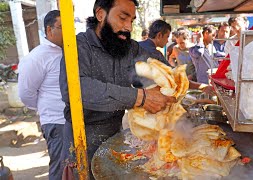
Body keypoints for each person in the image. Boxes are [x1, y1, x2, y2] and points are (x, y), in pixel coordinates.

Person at [59, 0, 176, 179]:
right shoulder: (78, 46)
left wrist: (167, 83)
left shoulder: (128, 47)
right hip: (81, 140)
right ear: (100, 15)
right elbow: (75, 89)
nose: (128, 27)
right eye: (122, 18)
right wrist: (140, 97)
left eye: (132, 20)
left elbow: (156, 68)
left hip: (115, 135)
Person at [18, 10, 65, 180]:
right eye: (62, 27)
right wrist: (47, 107)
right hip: (57, 122)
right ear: (49, 30)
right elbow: (25, 94)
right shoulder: (37, 57)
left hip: (76, 120)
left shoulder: (69, 52)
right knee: (60, 168)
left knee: (74, 166)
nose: (68, 32)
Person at [140, 20, 214, 93]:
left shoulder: (136, 45)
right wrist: (201, 86)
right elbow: (175, 77)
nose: (167, 41)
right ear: (159, 35)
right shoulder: (155, 54)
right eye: (167, 37)